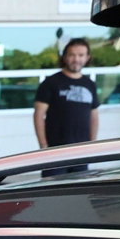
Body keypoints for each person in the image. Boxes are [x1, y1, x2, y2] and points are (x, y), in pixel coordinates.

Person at [33, 38, 100, 177]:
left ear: (87, 58)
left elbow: (94, 116)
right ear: (64, 57)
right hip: (55, 152)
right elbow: (39, 114)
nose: (76, 59)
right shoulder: (51, 83)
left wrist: (93, 144)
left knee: (79, 194)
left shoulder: (90, 84)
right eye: (72, 55)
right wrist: (44, 146)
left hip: (82, 151)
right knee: (53, 193)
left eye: (81, 55)